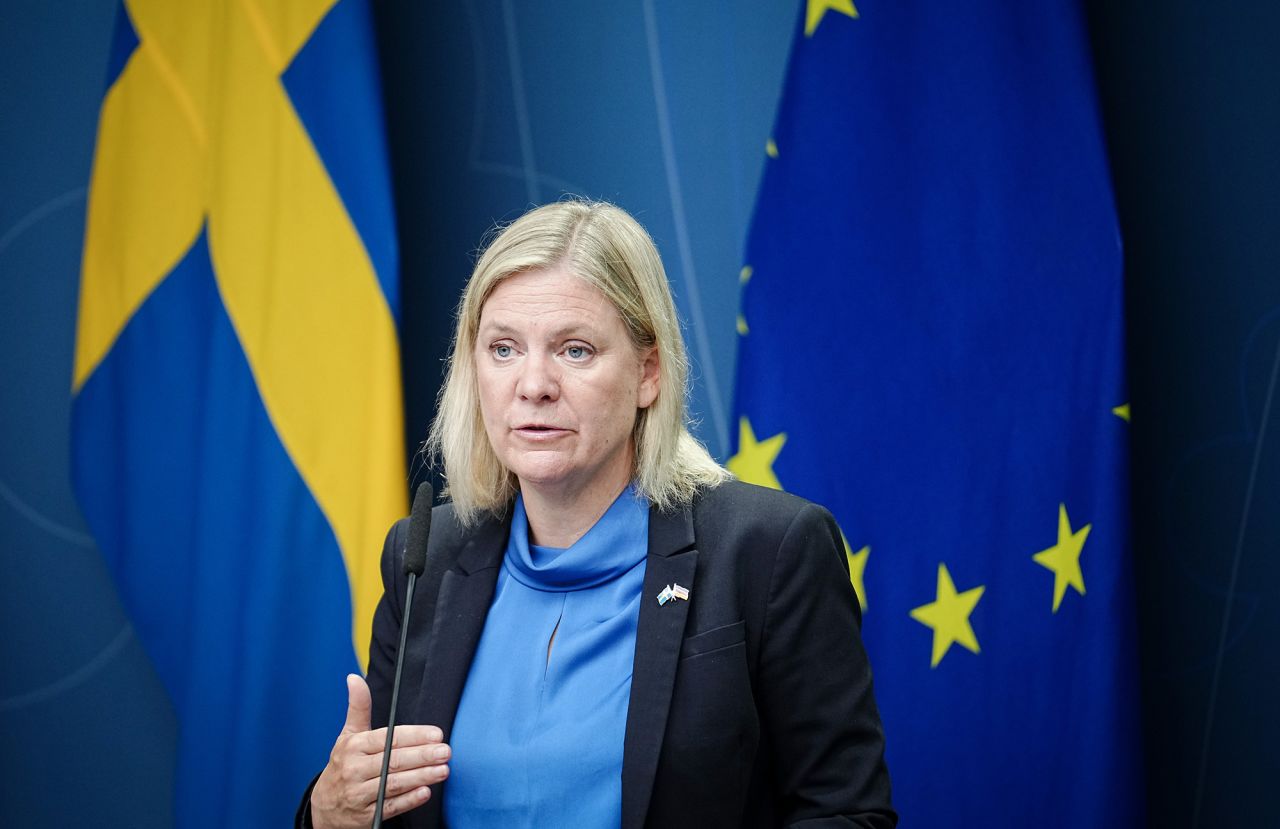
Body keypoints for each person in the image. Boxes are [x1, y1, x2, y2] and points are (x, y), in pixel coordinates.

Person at [298, 199, 895, 828]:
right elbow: (381, 807)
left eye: (574, 350)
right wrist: (325, 814)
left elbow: (847, 816)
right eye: (503, 349)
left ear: (648, 373)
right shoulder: (425, 556)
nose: (533, 385)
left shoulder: (768, 550)